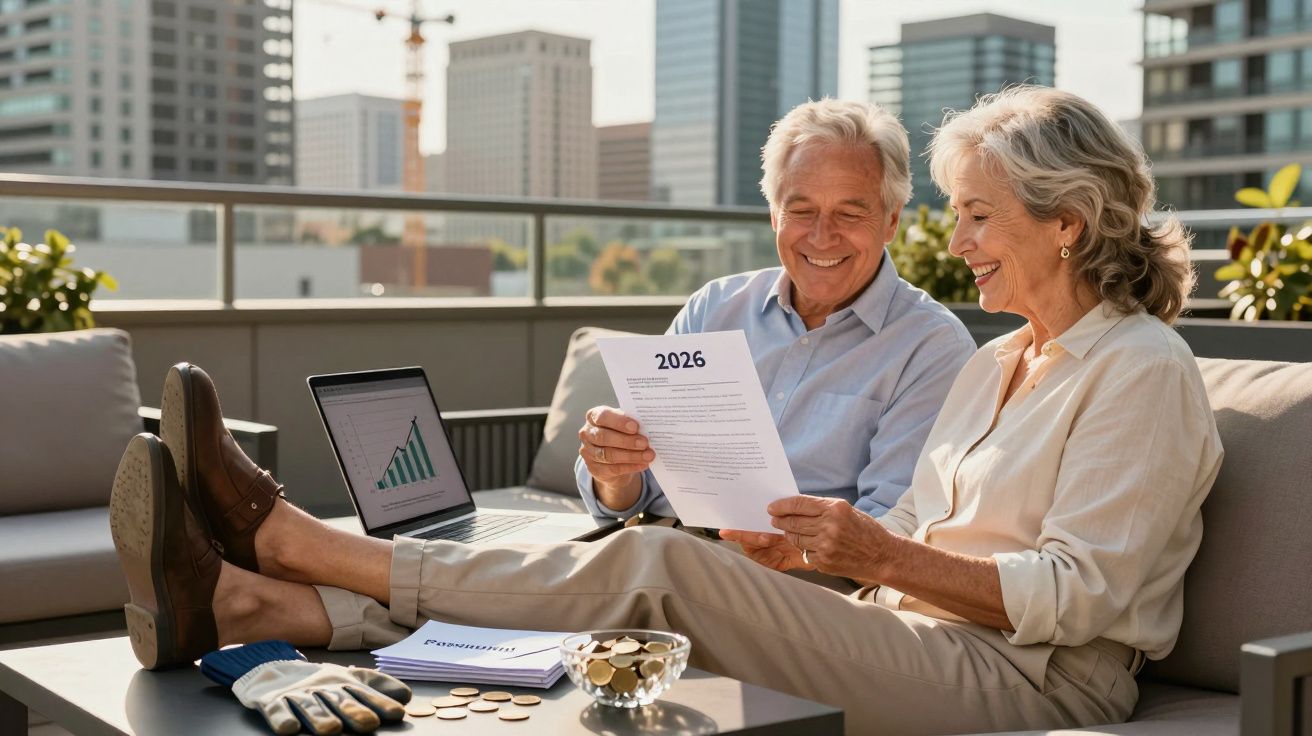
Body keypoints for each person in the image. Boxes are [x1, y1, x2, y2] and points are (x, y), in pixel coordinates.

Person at [110, 86, 1222, 735]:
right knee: (635, 585)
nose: (959, 239)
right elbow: (908, 554)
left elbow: (1084, 598)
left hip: (1034, 689)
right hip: (909, 635)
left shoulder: (1139, 370)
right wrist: (816, 564)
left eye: (976, 215)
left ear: (1065, 222)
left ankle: (300, 548)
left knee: (665, 569)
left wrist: (863, 554)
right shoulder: (999, 363)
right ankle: (268, 606)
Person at [576, 99, 975, 522]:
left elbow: (889, 531)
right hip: (653, 544)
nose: (823, 237)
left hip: (793, 576)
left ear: (891, 221)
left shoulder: (932, 349)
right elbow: (631, 494)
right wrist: (615, 476)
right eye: (801, 211)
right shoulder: (713, 308)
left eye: (849, 213)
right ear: (774, 214)